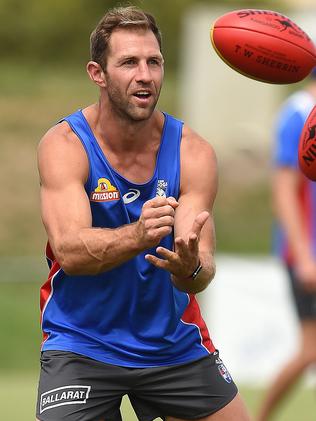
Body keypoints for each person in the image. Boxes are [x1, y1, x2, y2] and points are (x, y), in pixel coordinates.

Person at [36, 6, 250, 421]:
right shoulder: (65, 145)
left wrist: (189, 267)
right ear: (97, 73)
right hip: (82, 344)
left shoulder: (193, 152)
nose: (145, 75)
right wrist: (140, 234)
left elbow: (200, 272)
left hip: (173, 345)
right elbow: (71, 252)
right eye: (129, 63)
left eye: (154, 62)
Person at [256, 68, 316, 421]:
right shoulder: (298, 115)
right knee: (310, 351)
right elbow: (283, 192)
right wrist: (305, 258)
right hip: (306, 256)